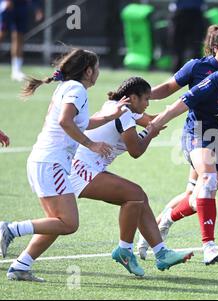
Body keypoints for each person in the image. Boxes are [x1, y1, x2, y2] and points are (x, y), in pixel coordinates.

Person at [138, 26, 218, 263]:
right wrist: (150, 128)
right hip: (198, 133)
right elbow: (174, 107)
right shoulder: (208, 81)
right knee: (206, 181)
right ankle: (209, 245)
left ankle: (169, 220)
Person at [0, 48, 127, 282]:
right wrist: (91, 145)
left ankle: (21, 266)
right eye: (96, 68)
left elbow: (82, 122)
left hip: (45, 161)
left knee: (55, 222)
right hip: (51, 163)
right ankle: (9, 229)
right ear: (88, 71)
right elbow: (65, 121)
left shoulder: (68, 87)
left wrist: (110, 116)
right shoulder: (76, 89)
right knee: (68, 223)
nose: (98, 72)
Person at [68, 77, 193, 277]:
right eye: (145, 99)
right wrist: (150, 134)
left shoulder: (118, 106)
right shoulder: (124, 114)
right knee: (134, 195)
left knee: (140, 197)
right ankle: (124, 250)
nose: (147, 104)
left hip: (88, 167)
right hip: (81, 171)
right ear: (133, 98)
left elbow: (152, 120)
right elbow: (136, 151)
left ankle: (161, 253)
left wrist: (185, 105)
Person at [0, 0, 44, 81]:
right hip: (7, 5)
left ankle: (16, 71)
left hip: (21, 6)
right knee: (2, 34)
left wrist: (37, 9)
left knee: (18, 37)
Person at [168, 0, 206, 73]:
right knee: (178, 46)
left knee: (196, 46)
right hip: (180, 12)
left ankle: (197, 71)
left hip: (196, 13)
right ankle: (176, 72)